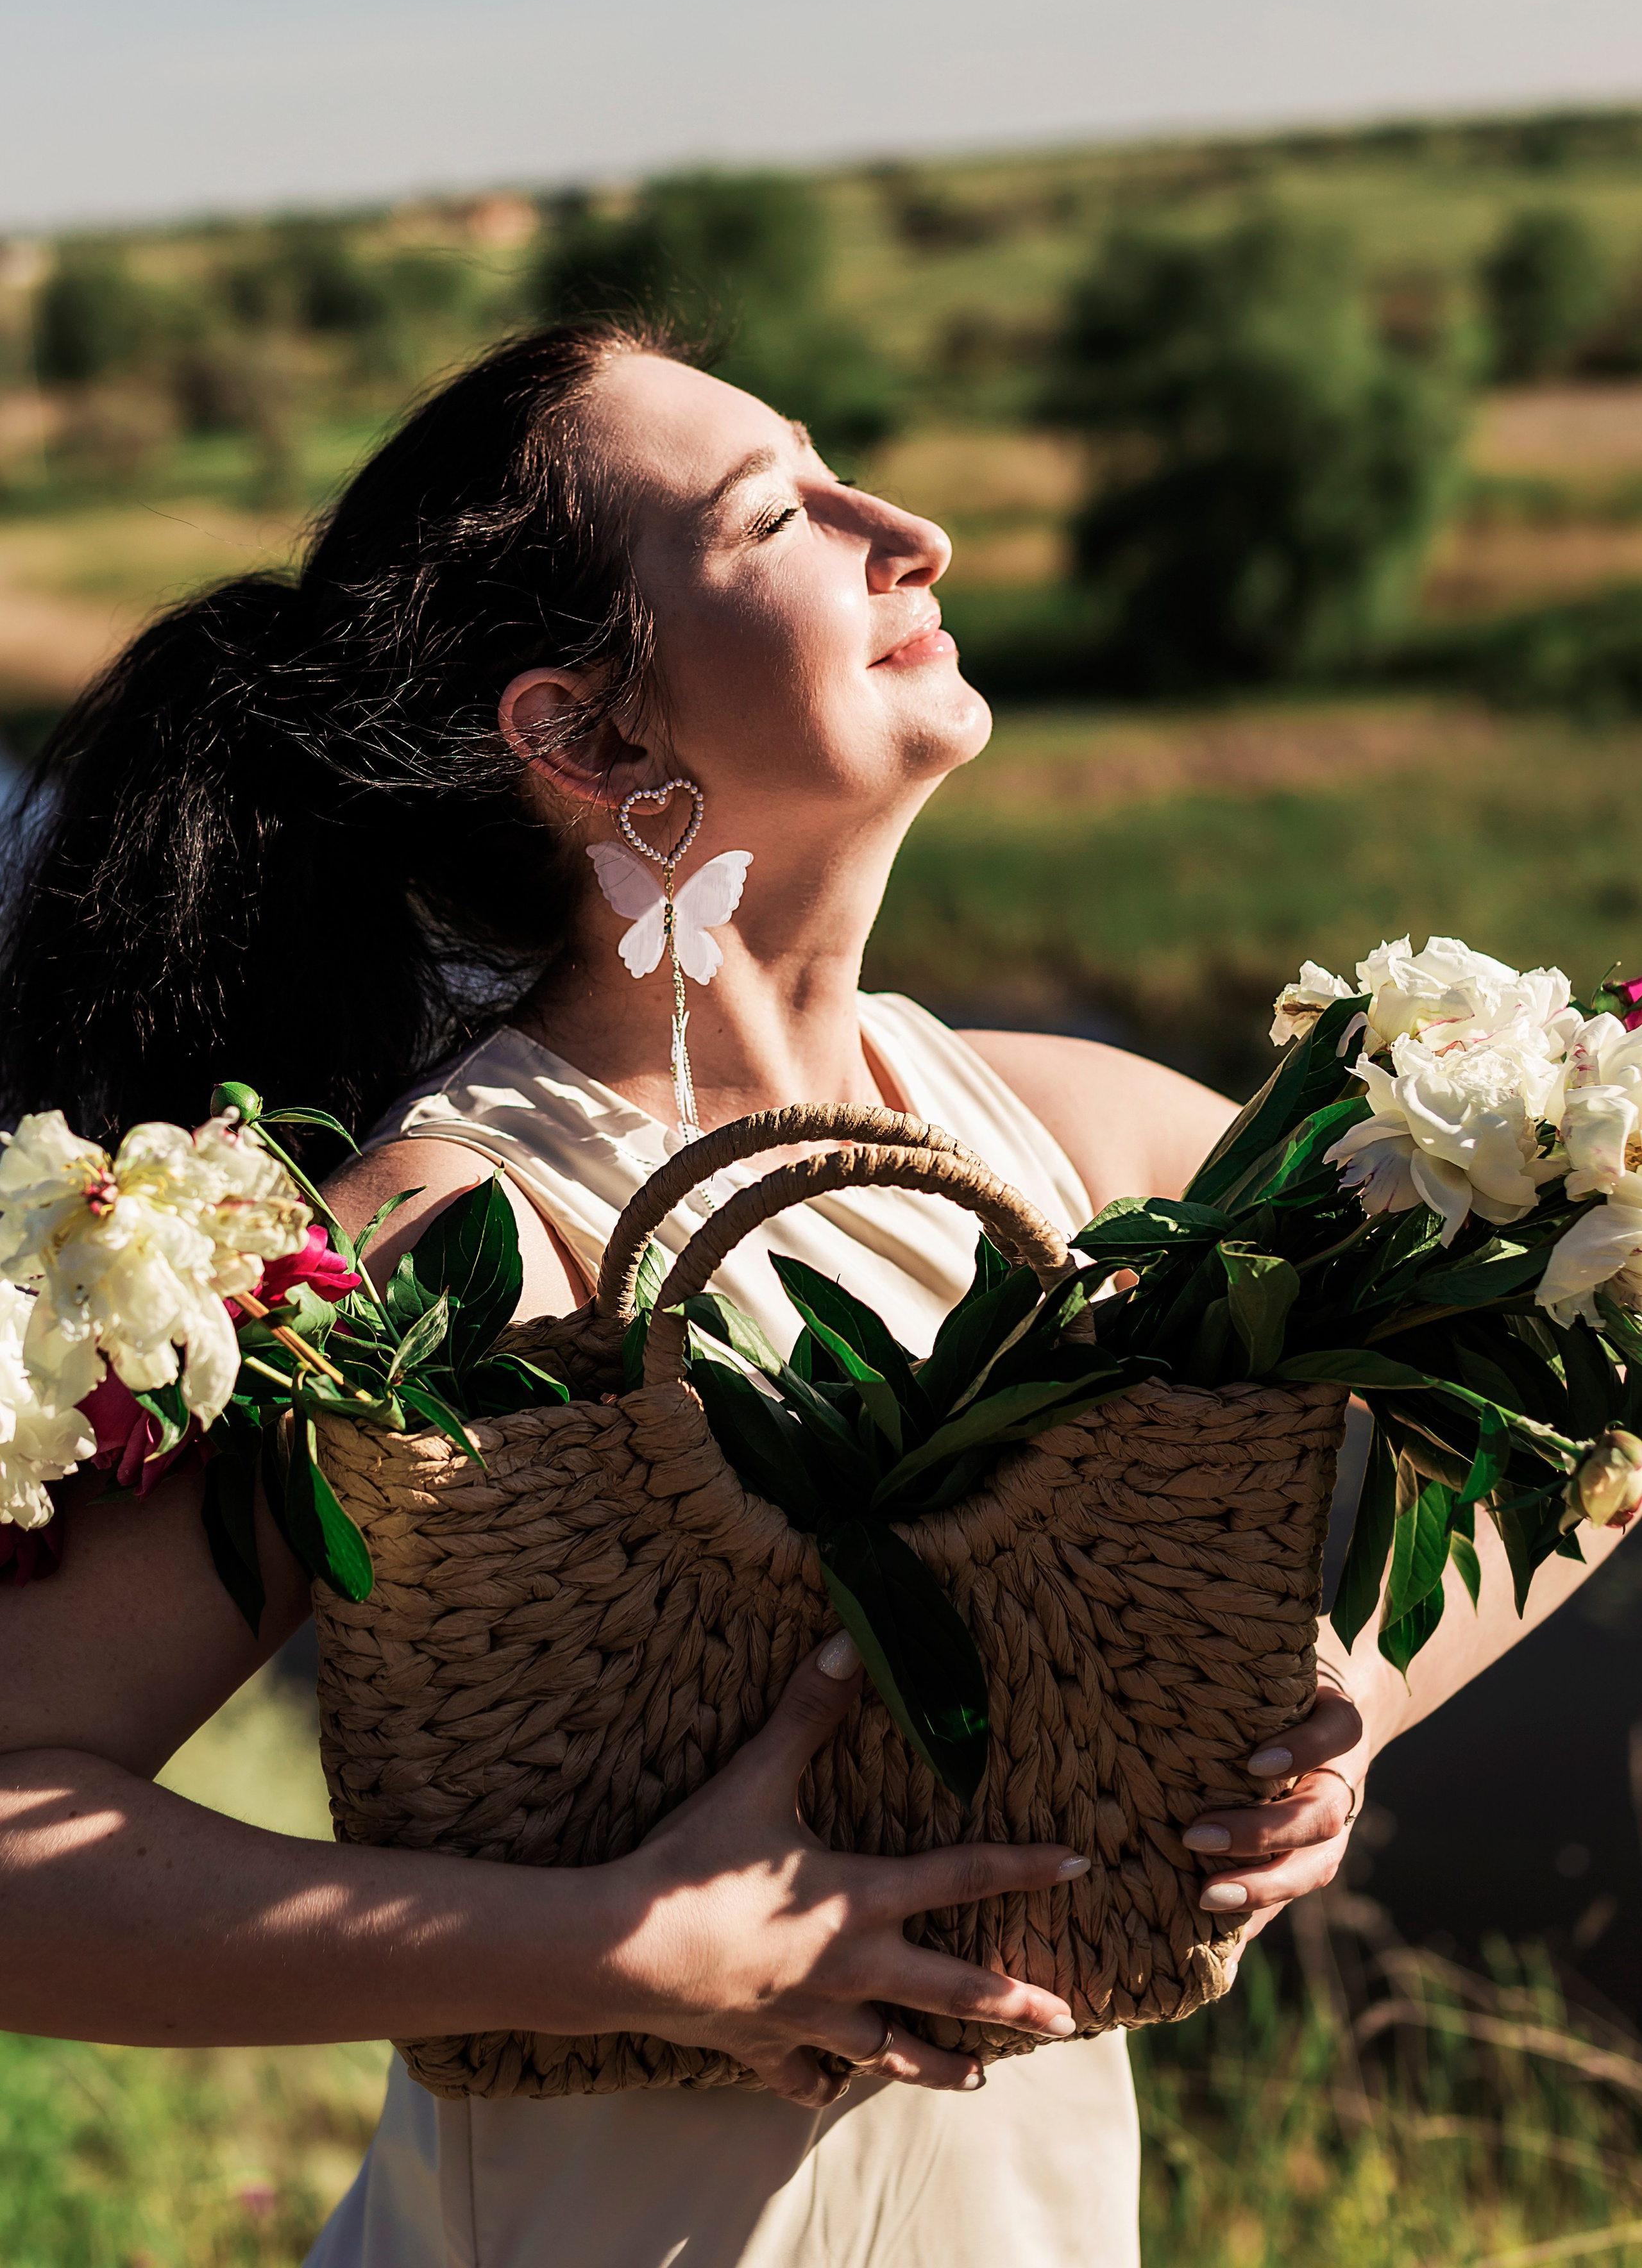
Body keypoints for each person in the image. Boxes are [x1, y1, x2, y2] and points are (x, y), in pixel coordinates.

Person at [0, 319, 1625, 2268]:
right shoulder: (454, 1228)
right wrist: (617, 1951)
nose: (910, 529)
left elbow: (1590, 1344)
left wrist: (1337, 1712)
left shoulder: (1061, 1126)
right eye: (781, 512)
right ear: (591, 743)